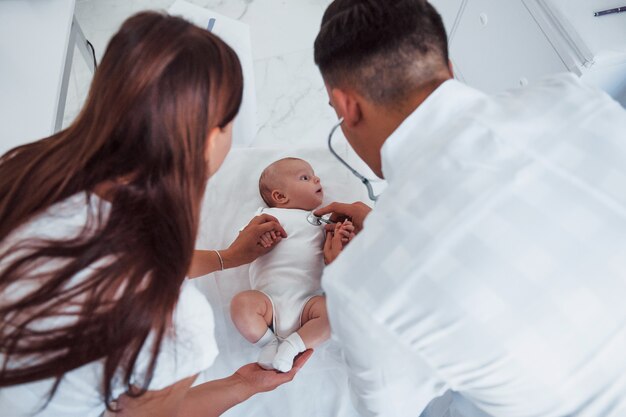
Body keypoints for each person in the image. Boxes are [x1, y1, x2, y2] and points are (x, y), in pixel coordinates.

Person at [312, 1, 626, 417]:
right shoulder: (570, 97)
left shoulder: (358, 286)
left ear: (347, 106)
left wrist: (367, 268)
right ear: (449, 66)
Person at [0, 12, 312, 417]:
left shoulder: (22, 172)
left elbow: (116, 259)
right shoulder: (177, 326)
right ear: (210, 139)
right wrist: (242, 384)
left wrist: (229, 257)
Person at [231, 158, 354, 372]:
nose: (316, 179)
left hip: (308, 303)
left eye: (314, 175)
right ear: (280, 196)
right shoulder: (266, 216)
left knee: (333, 314)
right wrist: (262, 238)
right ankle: (268, 343)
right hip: (266, 302)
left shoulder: (323, 221)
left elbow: (331, 254)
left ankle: (292, 345)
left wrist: (342, 235)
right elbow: (245, 241)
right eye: (305, 177)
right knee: (241, 304)